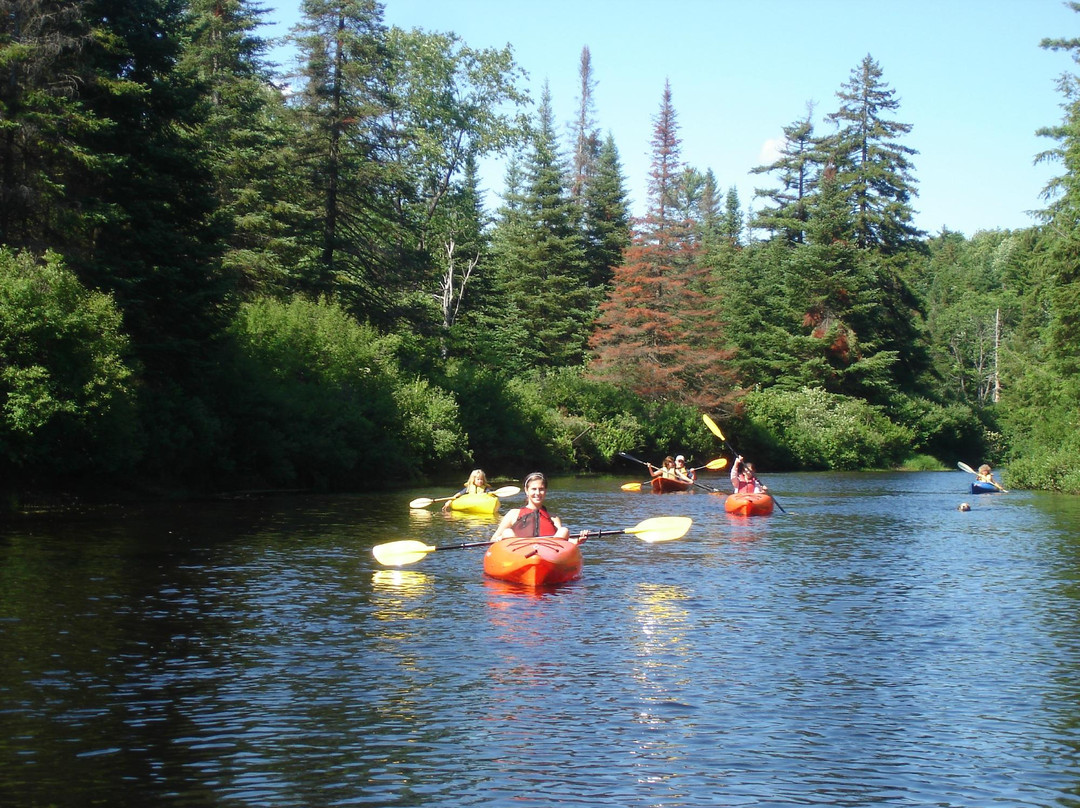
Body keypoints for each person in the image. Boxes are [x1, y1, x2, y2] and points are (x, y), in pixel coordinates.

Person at [492, 472, 588, 544]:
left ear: (545, 491)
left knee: (564, 530)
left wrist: (578, 540)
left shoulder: (553, 518)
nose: (537, 493)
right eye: (534, 489)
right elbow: (494, 538)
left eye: (541, 489)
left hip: (548, 552)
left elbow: (564, 539)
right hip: (518, 552)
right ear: (526, 490)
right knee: (507, 532)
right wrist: (499, 538)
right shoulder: (513, 514)